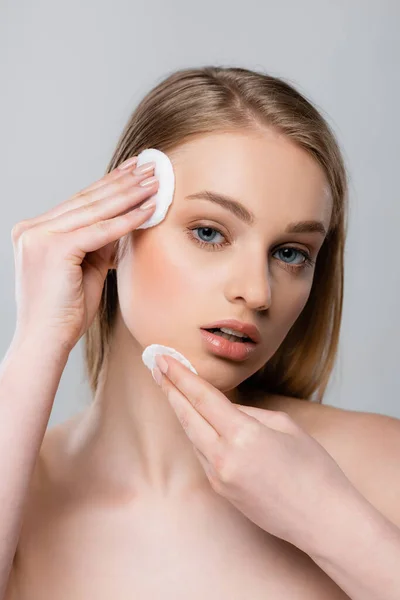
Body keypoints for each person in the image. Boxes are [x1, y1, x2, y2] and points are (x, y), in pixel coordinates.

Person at [1, 65, 357, 598]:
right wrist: (36, 342)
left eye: (290, 253)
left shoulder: (369, 470)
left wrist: (335, 527)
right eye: (210, 232)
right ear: (119, 229)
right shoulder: (21, 500)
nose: (257, 292)